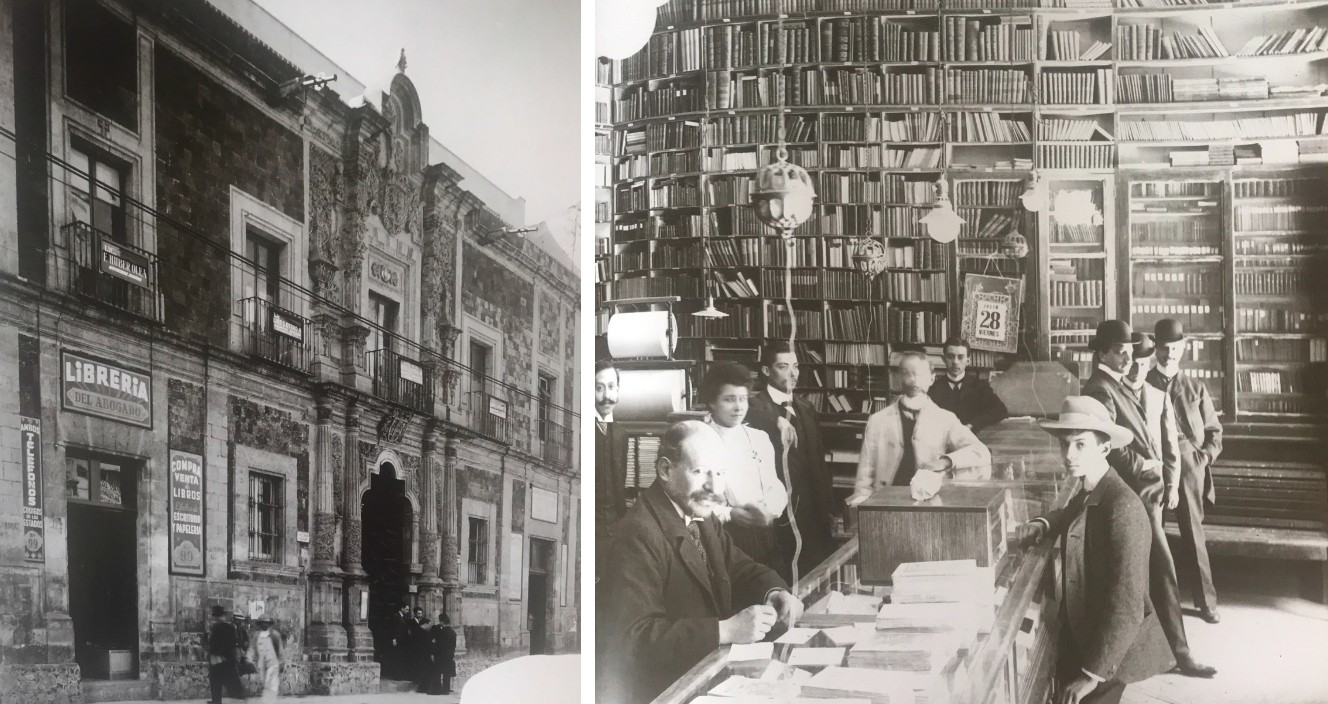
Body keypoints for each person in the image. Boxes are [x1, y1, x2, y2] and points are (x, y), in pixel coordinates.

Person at [597, 421, 804, 704]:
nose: (715, 487)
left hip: (709, 677)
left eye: (719, 473)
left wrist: (775, 592)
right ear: (665, 470)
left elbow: (738, 567)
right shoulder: (638, 533)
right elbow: (633, 639)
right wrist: (725, 630)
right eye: (700, 472)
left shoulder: (699, 515)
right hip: (669, 692)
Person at [1014, 396, 1174, 704]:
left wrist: (1090, 676)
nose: (1069, 455)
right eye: (1065, 444)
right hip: (1090, 634)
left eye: (1080, 445)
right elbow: (1071, 513)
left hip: (1111, 654)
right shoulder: (1092, 489)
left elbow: (1126, 605)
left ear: (1104, 448)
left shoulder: (1123, 507)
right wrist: (1042, 523)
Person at [1082, 320, 1215, 678]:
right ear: (1102, 353)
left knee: (1144, 579)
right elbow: (1106, 445)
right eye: (1120, 351)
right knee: (1161, 573)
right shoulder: (1099, 389)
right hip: (1133, 494)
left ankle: (1154, 656)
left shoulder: (1114, 384)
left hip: (1143, 493)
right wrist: (1147, 467)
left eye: (1129, 351)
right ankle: (1179, 655)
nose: (1127, 357)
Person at [1148, 319, 1223, 625]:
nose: (1168, 355)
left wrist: (1203, 457)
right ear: (1156, 349)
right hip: (1155, 467)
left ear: (1183, 348)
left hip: (1190, 467)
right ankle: (1155, 605)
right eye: (1163, 349)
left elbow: (1214, 431)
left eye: (1174, 349)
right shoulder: (1145, 384)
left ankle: (1206, 603)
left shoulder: (1195, 387)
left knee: (1193, 535)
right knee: (1154, 533)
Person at [849, 351, 992, 505]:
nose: (912, 380)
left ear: (932, 379)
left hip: (928, 504)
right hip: (886, 503)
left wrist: (946, 462)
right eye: (906, 373)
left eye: (919, 374)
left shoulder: (944, 418)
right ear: (898, 378)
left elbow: (981, 452)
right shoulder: (878, 420)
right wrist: (863, 511)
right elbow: (864, 477)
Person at [746, 342, 836, 574]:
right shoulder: (754, 407)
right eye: (783, 367)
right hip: (778, 516)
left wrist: (828, 510)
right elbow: (751, 412)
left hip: (812, 513)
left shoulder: (806, 407)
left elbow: (818, 462)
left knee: (816, 574)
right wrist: (776, 420)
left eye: (795, 366)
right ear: (766, 371)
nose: (793, 373)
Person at [699, 362, 789, 580]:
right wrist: (729, 514)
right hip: (725, 536)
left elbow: (775, 486)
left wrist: (768, 510)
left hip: (765, 532)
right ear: (712, 401)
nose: (738, 407)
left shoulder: (759, 438)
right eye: (729, 400)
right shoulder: (700, 441)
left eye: (743, 399)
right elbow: (695, 502)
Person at [1127, 333, 1180, 514]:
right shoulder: (1115, 395)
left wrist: (1172, 485)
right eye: (1133, 364)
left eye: (1142, 364)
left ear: (1149, 364)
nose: (1137, 371)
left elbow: (1170, 445)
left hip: (1155, 486)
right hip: (1124, 483)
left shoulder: (1159, 396)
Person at [929, 336, 1009, 433]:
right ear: (943, 359)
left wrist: (972, 425)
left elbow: (1000, 410)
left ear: (968, 361)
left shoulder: (979, 386)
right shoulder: (933, 389)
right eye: (950, 356)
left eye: (960, 357)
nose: (955, 362)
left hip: (972, 440)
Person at [594, 359, 629, 569]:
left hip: (616, 534)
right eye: (599, 388)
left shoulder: (621, 434)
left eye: (612, 387)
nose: (607, 396)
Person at [206, 605, 246, 703]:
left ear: (216, 616)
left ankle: (218, 701)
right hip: (224, 660)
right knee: (220, 683)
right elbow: (231, 644)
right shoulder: (228, 627)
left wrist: (217, 656)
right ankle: (217, 701)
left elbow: (218, 644)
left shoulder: (219, 628)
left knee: (220, 683)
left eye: (215, 616)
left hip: (221, 660)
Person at [246, 617, 284, 702]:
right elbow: (252, 648)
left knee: (272, 686)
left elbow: (280, 650)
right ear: (260, 624)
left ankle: (269, 701)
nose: (265, 624)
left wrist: (281, 662)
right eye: (263, 622)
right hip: (261, 664)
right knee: (265, 684)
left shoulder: (275, 635)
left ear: (270, 624)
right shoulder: (257, 635)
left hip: (273, 664)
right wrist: (249, 658)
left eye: (267, 623)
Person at [430, 612, 458, 695]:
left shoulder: (441, 632)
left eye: (440, 621)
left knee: (437, 671)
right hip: (449, 655)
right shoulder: (453, 632)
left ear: (442, 621)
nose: (439, 623)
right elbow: (454, 645)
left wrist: (433, 653)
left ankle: (437, 689)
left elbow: (437, 644)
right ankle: (446, 690)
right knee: (447, 673)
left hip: (440, 655)